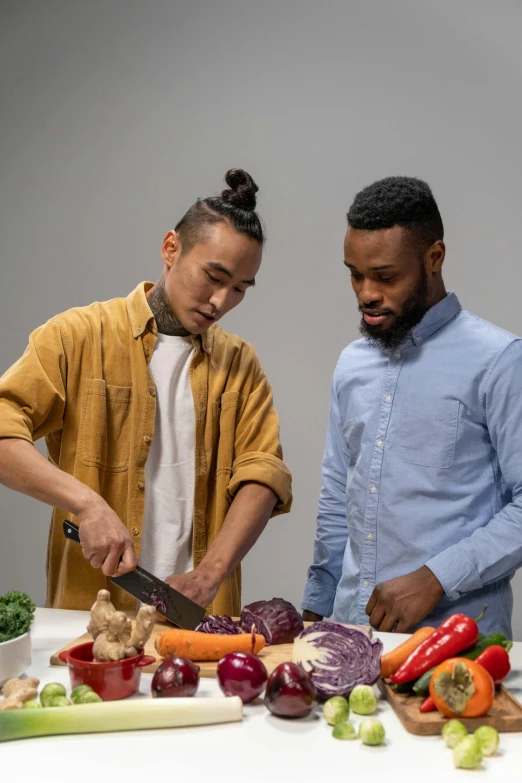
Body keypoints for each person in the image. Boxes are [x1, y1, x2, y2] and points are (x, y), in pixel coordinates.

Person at [0, 168, 292, 616]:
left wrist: (211, 573)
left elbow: (263, 474)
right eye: (213, 277)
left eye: (238, 289)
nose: (221, 302)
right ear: (170, 247)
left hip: (198, 619)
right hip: (89, 618)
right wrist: (86, 503)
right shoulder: (78, 335)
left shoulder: (241, 365)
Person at [302, 175, 522, 637]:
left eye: (385, 276)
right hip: (350, 631)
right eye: (354, 274)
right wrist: (316, 610)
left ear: (434, 258)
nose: (366, 293)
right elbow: (338, 496)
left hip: (457, 643)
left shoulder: (500, 361)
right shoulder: (351, 364)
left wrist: (436, 578)